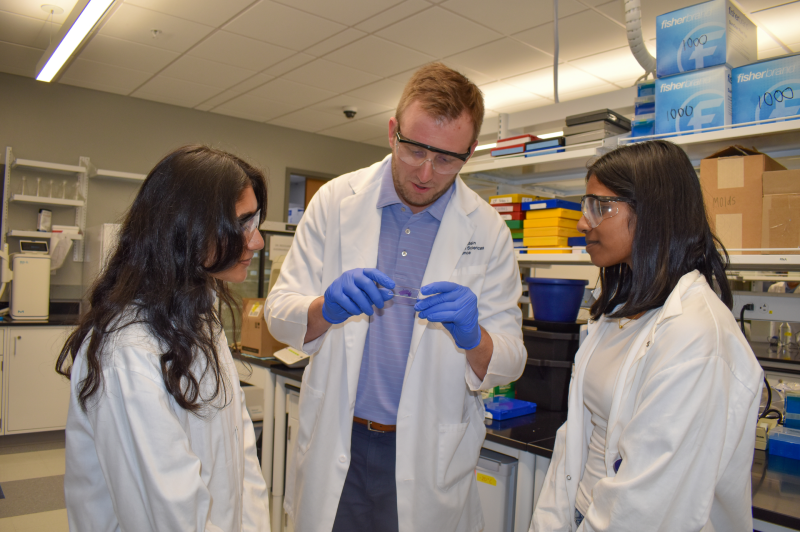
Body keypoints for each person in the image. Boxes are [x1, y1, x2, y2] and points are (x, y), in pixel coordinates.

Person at [266, 63, 526, 532]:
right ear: (392, 132)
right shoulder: (334, 200)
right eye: (414, 150)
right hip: (337, 441)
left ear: (470, 153)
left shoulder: (487, 230)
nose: (426, 173)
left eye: (447, 158)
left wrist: (475, 336)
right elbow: (278, 312)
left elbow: (510, 359)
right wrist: (324, 308)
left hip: (427, 456)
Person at [531, 140, 763, 531]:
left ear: (652, 213)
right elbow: (575, 443)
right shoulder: (621, 311)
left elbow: (646, 507)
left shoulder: (698, 336)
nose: (582, 223)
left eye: (599, 207)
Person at [58, 145, 270, 531]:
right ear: (187, 229)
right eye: (241, 224)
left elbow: (243, 458)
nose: (256, 241)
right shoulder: (128, 351)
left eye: (254, 222)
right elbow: (168, 515)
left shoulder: (201, 318)